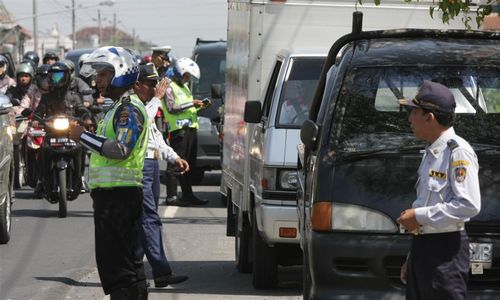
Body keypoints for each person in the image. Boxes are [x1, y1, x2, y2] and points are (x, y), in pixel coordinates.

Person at [69, 46, 149, 299]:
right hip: (112, 197)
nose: (97, 80)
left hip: (120, 198)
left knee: (118, 268)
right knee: (125, 265)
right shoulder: (116, 108)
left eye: (103, 74)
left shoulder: (129, 110)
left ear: (121, 72)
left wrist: (83, 137)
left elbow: (121, 149)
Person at [397, 80, 481, 300]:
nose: (409, 119)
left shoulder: (458, 152)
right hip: (423, 248)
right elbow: (426, 201)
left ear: (429, 117)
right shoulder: (432, 151)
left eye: (413, 112)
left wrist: (419, 216)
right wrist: (412, 258)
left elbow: (469, 205)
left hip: (445, 252)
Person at [132, 63, 190, 287]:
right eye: (151, 84)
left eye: (157, 84)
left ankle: (136, 272)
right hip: (141, 165)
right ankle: (161, 272)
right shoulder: (135, 104)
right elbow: (141, 123)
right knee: (149, 219)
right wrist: (157, 99)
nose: (155, 88)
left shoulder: (147, 104)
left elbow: (156, 138)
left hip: (152, 164)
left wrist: (174, 157)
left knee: (145, 219)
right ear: (138, 85)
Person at [33, 62, 92, 198]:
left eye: (59, 76)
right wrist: (35, 120)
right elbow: (38, 112)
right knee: (41, 150)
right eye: (53, 77)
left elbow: (82, 109)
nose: (56, 80)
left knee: (82, 148)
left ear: (66, 77)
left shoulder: (73, 96)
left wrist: (87, 118)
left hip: (71, 133)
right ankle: (41, 180)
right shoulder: (46, 97)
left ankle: (80, 178)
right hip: (51, 133)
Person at [163, 57, 211, 206]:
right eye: (186, 75)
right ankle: (171, 196)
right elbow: (172, 108)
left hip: (190, 129)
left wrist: (199, 106)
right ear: (179, 72)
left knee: (188, 164)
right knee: (175, 165)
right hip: (179, 131)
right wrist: (192, 102)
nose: (187, 79)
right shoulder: (169, 87)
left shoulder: (184, 87)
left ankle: (187, 194)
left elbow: (186, 108)